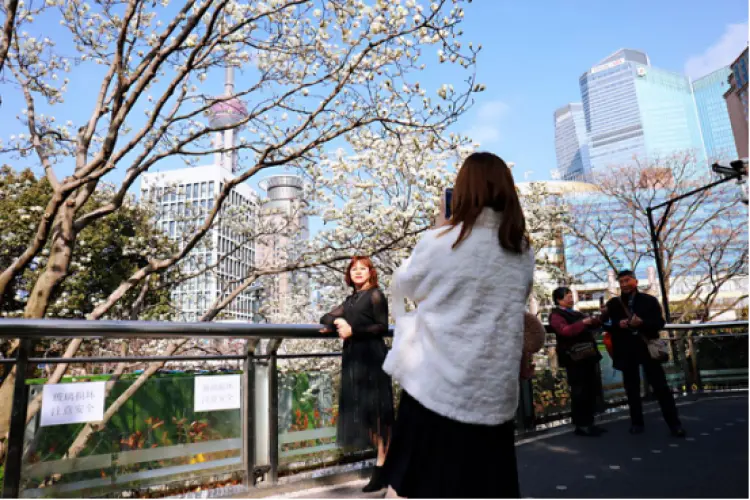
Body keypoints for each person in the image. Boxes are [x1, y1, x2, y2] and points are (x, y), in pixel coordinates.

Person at [382, 152, 535, 498]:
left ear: (462, 191)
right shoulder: (521, 250)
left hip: (436, 387)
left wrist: (440, 226)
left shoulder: (442, 243)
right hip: (493, 391)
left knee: (423, 485)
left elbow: (406, 285)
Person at [319, 256, 395, 492]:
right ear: (349, 274)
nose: (358, 272)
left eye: (363, 269)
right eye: (354, 269)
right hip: (354, 358)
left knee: (377, 414)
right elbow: (326, 317)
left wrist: (354, 330)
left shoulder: (375, 295)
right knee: (361, 414)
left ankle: (382, 466)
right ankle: (388, 461)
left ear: (371, 272)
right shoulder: (351, 299)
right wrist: (338, 321)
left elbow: (382, 327)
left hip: (372, 356)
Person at [600, 270, 686, 437]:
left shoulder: (649, 301)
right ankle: (636, 423)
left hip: (647, 348)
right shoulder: (613, 304)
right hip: (626, 350)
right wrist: (619, 324)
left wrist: (642, 323)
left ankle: (674, 424)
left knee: (661, 387)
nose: (624, 284)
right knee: (631, 389)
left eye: (627, 280)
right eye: (621, 281)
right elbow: (605, 325)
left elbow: (659, 323)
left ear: (636, 281)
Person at [548, 287, 605, 437]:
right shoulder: (556, 315)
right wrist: (584, 323)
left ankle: (590, 422)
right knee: (579, 390)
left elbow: (594, 323)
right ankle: (581, 424)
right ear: (559, 299)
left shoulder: (576, 313)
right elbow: (564, 331)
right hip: (573, 357)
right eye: (567, 296)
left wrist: (600, 316)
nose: (570, 298)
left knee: (590, 388)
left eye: (570, 295)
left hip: (587, 355)